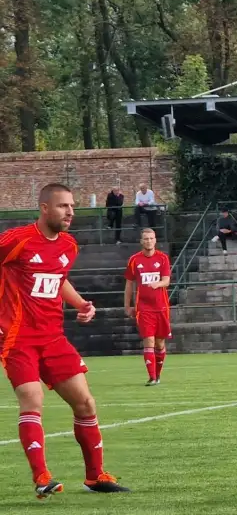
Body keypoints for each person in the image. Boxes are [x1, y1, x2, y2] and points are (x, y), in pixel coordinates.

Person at [0, 183, 130, 498]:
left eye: (72, 206)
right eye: (62, 206)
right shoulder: (16, 241)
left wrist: (81, 304)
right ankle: (42, 477)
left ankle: (96, 476)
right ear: (44, 208)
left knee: (85, 403)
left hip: (54, 338)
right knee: (32, 401)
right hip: (18, 338)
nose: (70, 212)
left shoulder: (69, 246)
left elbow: (58, 280)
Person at [124, 228, 171, 385]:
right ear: (141, 241)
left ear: (155, 240)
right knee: (149, 341)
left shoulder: (163, 258)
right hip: (143, 308)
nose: (148, 241)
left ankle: (157, 375)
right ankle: (151, 377)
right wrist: (127, 305)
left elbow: (166, 280)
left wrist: (157, 284)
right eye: (146, 238)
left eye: (151, 238)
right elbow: (129, 284)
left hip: (161, 307)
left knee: (160, 343)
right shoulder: (134, 260)